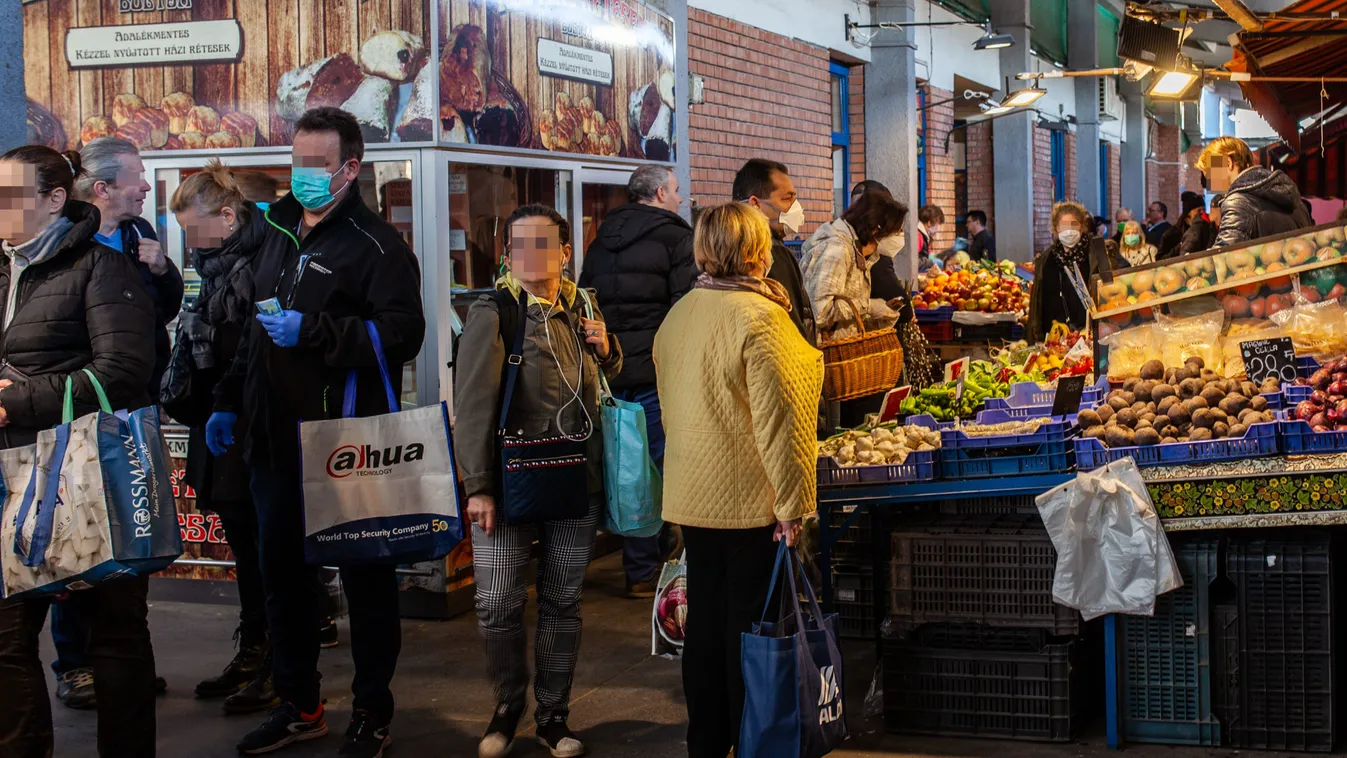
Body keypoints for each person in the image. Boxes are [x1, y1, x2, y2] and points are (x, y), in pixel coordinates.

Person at [205, 107, 426, 757]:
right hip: (272, 441)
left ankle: (370, 711)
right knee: (284, 582)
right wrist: (226, 400)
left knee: (366, 584)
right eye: (295, 160)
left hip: (345, 445)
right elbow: (253, 325)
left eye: (316, 165)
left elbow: (403, 335)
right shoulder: (274, 229)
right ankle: (299, 702)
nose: (301, 175)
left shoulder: (379, 246)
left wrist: (319, 334)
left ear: (349, 168)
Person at [0, 145, 157, 758]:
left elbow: (124, 370)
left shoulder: (101, 268)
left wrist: (20, 401)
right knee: (8, 641)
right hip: (10, 483)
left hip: (86, 477)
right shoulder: (5, 269)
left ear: (54, 200)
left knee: (114, 635)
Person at [653, 202, 823, 758]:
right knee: (749, 630)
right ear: (757, 251)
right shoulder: (761, 318)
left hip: (692, 494)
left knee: (705, 621)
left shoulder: (679, 314)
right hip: (752, 498)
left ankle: (706, 739)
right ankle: (750, 735)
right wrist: (793, 506)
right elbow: (783, 423)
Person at [455, 204, 621, 758]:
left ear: (565, 253)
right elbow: (474, 403)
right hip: (508, 482)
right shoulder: (494, 310)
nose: (528, 256)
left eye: (541, 244)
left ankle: (553, 715)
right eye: (517, 245)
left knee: (561, 600)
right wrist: (477, 485)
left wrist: (607, 347)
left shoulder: (582, 306)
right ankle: (508, 703)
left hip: (577, 478)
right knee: (497, 601)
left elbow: (604, 382)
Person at [46, 137, 186, 708]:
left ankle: (121, 657)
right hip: (77, 414)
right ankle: (75, 665)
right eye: (136, 178)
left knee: (131, 537)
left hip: (134, 412)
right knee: (75, 541)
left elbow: (165, 309)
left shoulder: (138, 237)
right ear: (102, 189)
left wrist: (163, 271)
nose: (147, 188)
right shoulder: (64, 244)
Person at [163, 160, 281, 716]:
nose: (189, 239)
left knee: (266, 543)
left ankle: (278, 659)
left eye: (193, 227)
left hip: (253, 416)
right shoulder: (204, 263)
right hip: (211, 411)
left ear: (228, 216)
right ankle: (254, 646)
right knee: (240, 536)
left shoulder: (268, 257)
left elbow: (260, 342)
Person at [579, 165, 694, 599]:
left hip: (610, 370)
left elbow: (587, 301)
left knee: (622, 464)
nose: (681, 199)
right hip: (655, 371)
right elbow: (684, 307)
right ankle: (648, 569)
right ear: (661, 192)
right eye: (678, 191)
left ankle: (638, 562)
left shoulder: (600, 241)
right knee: (657, 467)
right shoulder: (676, 237)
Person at [801, 190, 907, 427]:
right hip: (832, 364)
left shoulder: (857, 250)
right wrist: (869, 306)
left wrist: (878, 312)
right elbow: (821, 309)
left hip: (849, 359)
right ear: (875, 229)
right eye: (895, 231)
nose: (898, 237)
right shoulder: (837, 250)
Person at [732, 159, 816, 345]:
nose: (796, 207)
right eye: (787, 198)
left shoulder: (724, 249)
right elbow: (791, 323)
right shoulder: (772, 254)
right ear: (756, 203)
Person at [1027, 200, 1126, 343]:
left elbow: (1117, 281)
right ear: (1056, 229)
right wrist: (1035, 338)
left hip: (1092, 335)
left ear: (1082, 227)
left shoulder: (1098, 252)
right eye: (1063, 226)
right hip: (1055, 337)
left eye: (1074, 225)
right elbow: (1037, 304)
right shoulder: (1046, 260)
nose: (1069, 231)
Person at [1196, 136, 1313, 247]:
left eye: (1209, 173)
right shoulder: (1291, 195)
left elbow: (1224, 257)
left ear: (1228, 163)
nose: (1209, 181)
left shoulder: (1237, 202)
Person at [1161, 191, 1216, 259]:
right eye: (1199, 211)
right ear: (1188, 213)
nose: (1202, 213)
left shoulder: (1209, 229)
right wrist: (1180, 246)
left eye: (1204, 209)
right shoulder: (1171, 235)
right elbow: (1160, 259)